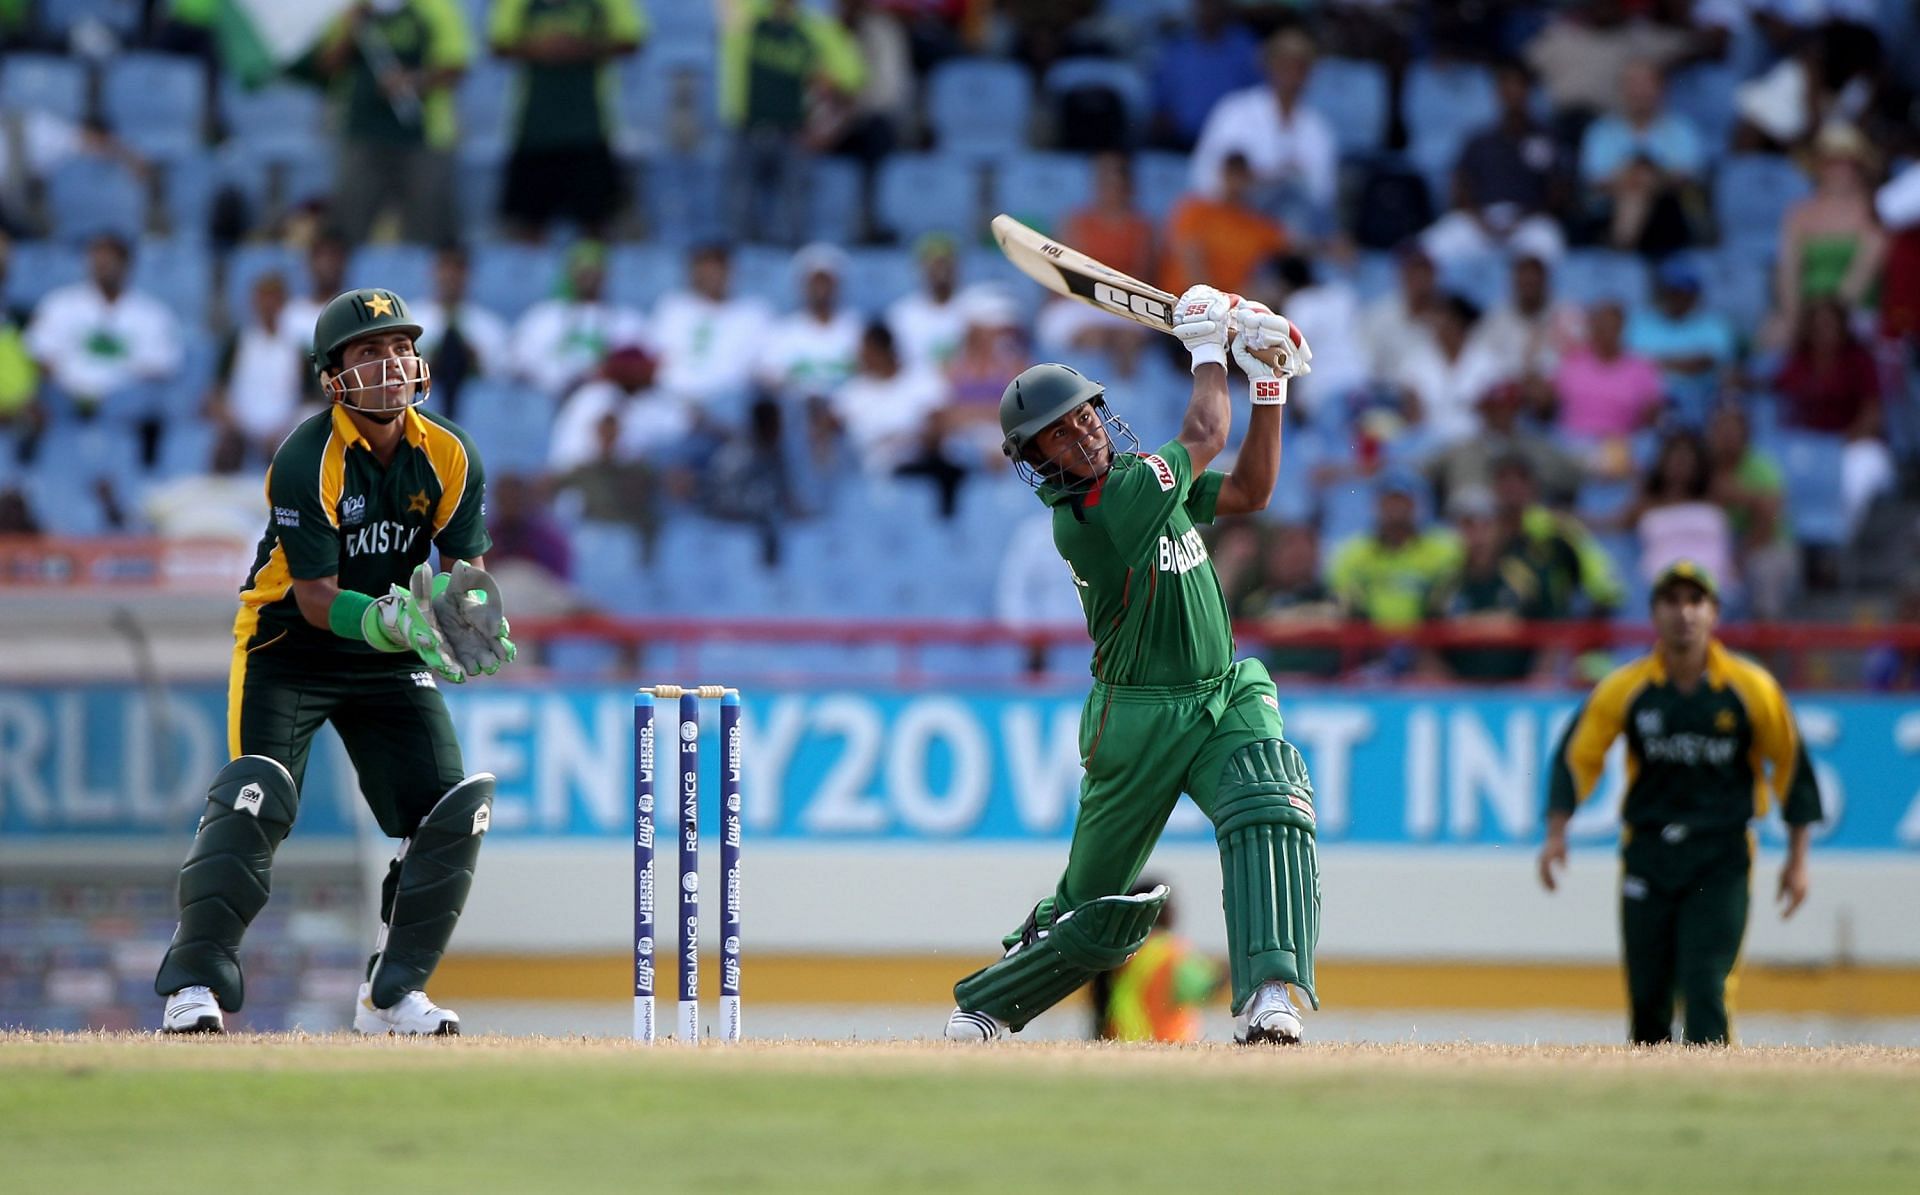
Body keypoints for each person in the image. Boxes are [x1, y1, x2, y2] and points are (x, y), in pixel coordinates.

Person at [945, 284, 1320, 1045]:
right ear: (1037, 461)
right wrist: (1209, 347)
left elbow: (1250, 488)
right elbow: (1208, 431)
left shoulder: (1147, 482)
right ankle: (987, 1004)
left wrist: (1270, 381)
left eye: (1083, 413)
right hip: (1138, 716)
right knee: (1092, 904)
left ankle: (1269, 997)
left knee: (1272, 808)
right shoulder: (1098, 510)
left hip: (1221, 692)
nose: (1080, 431)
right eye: (1057, 432)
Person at [154, 286, 516, 1036]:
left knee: (451, 812)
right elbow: (317, 596)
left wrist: (469, 610)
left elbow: (464, 571)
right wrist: (389, 620)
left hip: (389, 655)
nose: (389, 364)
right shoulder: (305, 456)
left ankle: (392, 996)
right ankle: (192, 986)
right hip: (291, 645)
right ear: (331, 377)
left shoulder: (449, 452)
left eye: (398, 347)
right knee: (256, 797)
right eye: (367, 352)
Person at [1540, 559, 1821, 1045]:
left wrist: (1798, 862)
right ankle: (1655, 1110)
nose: (1684, 613)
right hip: (1648, 853)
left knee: (1706, 987)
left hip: (1720, 855)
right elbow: (1576, 755)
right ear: (1654, 613)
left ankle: (1713, 1106)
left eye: (1696, 601)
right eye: (1672, 601)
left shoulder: (1750, 689)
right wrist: (1555, 835)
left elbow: (1792, 765)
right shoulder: (1627, 688)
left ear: (1714, 613)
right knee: (1647, 1001)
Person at [312, 0, 470, 246]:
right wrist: (350, 31)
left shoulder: (435, 7)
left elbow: (457, 65)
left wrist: (413, 80)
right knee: (348, 229)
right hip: (362, 134)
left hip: (424, 137)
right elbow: (327, 65)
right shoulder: (352, 11)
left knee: (427, 230)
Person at [489, 0, 646, 241]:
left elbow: (632, 41)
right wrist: (539, 49)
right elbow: (498, 45)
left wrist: (581, 47)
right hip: (534, 128)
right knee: (529, 223)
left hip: (591, 127)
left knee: (595, 221)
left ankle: (592, 275)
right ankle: (530, 278)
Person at [1088, 879, 1224, 1042]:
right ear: (1156, 911)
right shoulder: (1172, 953)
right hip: (1166, 1046)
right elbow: (1207, 987)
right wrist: (1228, 971)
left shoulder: (1116, 951)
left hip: (1120, 1043)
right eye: (1169, 904)